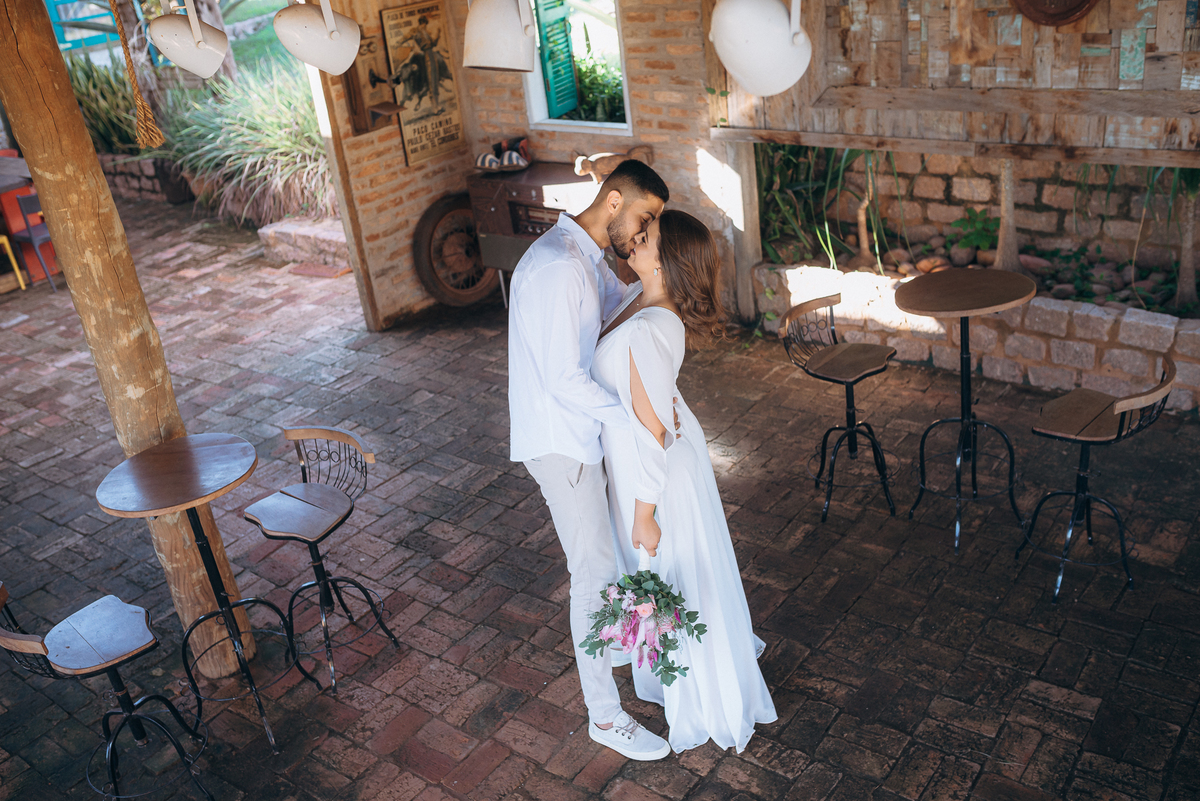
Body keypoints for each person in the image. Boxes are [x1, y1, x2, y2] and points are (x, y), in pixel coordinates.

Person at [591, 210, 777, 753]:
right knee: (677, 579)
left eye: (645, 240)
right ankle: (677, 674)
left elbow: (653, 431)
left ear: (667, 262)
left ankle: (700, 694)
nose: (634, 242)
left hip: (655, 471)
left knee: (674, 579)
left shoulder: (650, 327)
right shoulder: (647, 307)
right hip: (656, 460)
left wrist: (644, 510)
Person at [508, 159, 672, 761]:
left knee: (607, 562)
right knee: (594, 575)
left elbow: (615, 312)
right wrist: (636, 420)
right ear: (613, 201)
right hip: (562, 442)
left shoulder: (582, 256)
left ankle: (633, 652)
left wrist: (658, 275)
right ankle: (604, 715)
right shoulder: (556, 267)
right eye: (645, 218)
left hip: (585, 434)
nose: (645, 229)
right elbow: (561, 378)